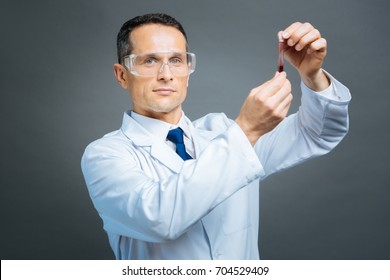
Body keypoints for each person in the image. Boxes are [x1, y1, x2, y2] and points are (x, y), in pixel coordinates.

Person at [81, 13, 351, 260]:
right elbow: (161, 219)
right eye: (150, 61)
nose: (166, 75)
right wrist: (246, 129)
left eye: (176, 60)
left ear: (187, 71)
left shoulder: (222, 133)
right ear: (122, 75)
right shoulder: (105, 155)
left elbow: (319, 132)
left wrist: (312, 75)